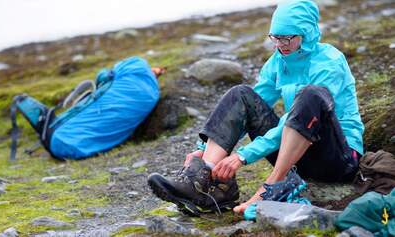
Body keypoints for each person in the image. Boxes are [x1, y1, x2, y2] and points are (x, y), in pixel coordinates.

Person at [148, 0, 364, 216]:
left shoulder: (329, 62)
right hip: (297, 153)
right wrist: (203, 149)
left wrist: (243, 156)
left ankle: (271, 187)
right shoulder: (278, 61)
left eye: (287, 37)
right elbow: (246, 107)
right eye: (275, 37)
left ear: (306, 33)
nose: (281, 44)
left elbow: (294, 118)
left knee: (311, 95)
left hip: (338, 159)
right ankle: (202, 181)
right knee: (240, 94)